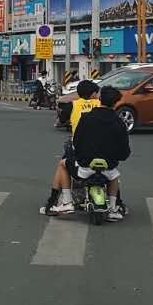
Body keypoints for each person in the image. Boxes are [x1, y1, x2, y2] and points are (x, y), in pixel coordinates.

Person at [70, 85, 130, 221]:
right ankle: (113, 208)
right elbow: (124, 151)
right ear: (116, 103)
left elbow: (77, 141)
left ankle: (66, 200)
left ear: (100, 99)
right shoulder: (119, 122)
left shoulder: (86, 118)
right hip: (108, 167)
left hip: (85, 166)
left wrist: (79, 156)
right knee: (114, 178)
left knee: (63, 164)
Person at [42, 79, 101, 215]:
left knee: (62, 165)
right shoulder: (100, 104)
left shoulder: (73, 105)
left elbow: (61, 120)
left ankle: (53, 202)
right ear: (93, 94)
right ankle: (117, 203)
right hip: (102, 147)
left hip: (79, 147)